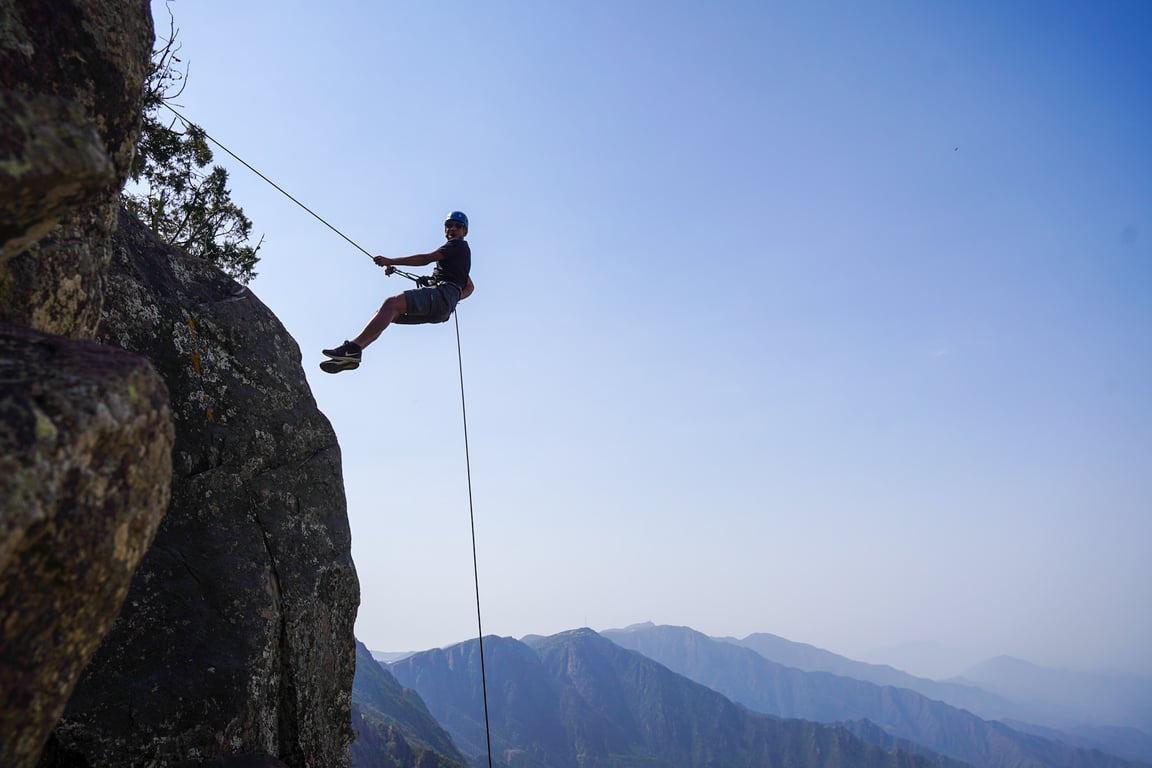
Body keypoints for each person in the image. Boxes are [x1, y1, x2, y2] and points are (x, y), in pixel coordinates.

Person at [320, 211, 475, 373]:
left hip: (442, 296)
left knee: (391, 304)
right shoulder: (460, 256)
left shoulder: (457, 245)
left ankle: (352, 348)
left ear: (465, 232)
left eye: (458, 226)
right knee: (388, 313)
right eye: (449, 225)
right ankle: (352, 354)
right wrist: (453, 296)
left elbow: (425, 259)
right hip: (443, 308)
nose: (453, 229)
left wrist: (391, 261)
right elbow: (470, 286)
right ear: (445, 229)